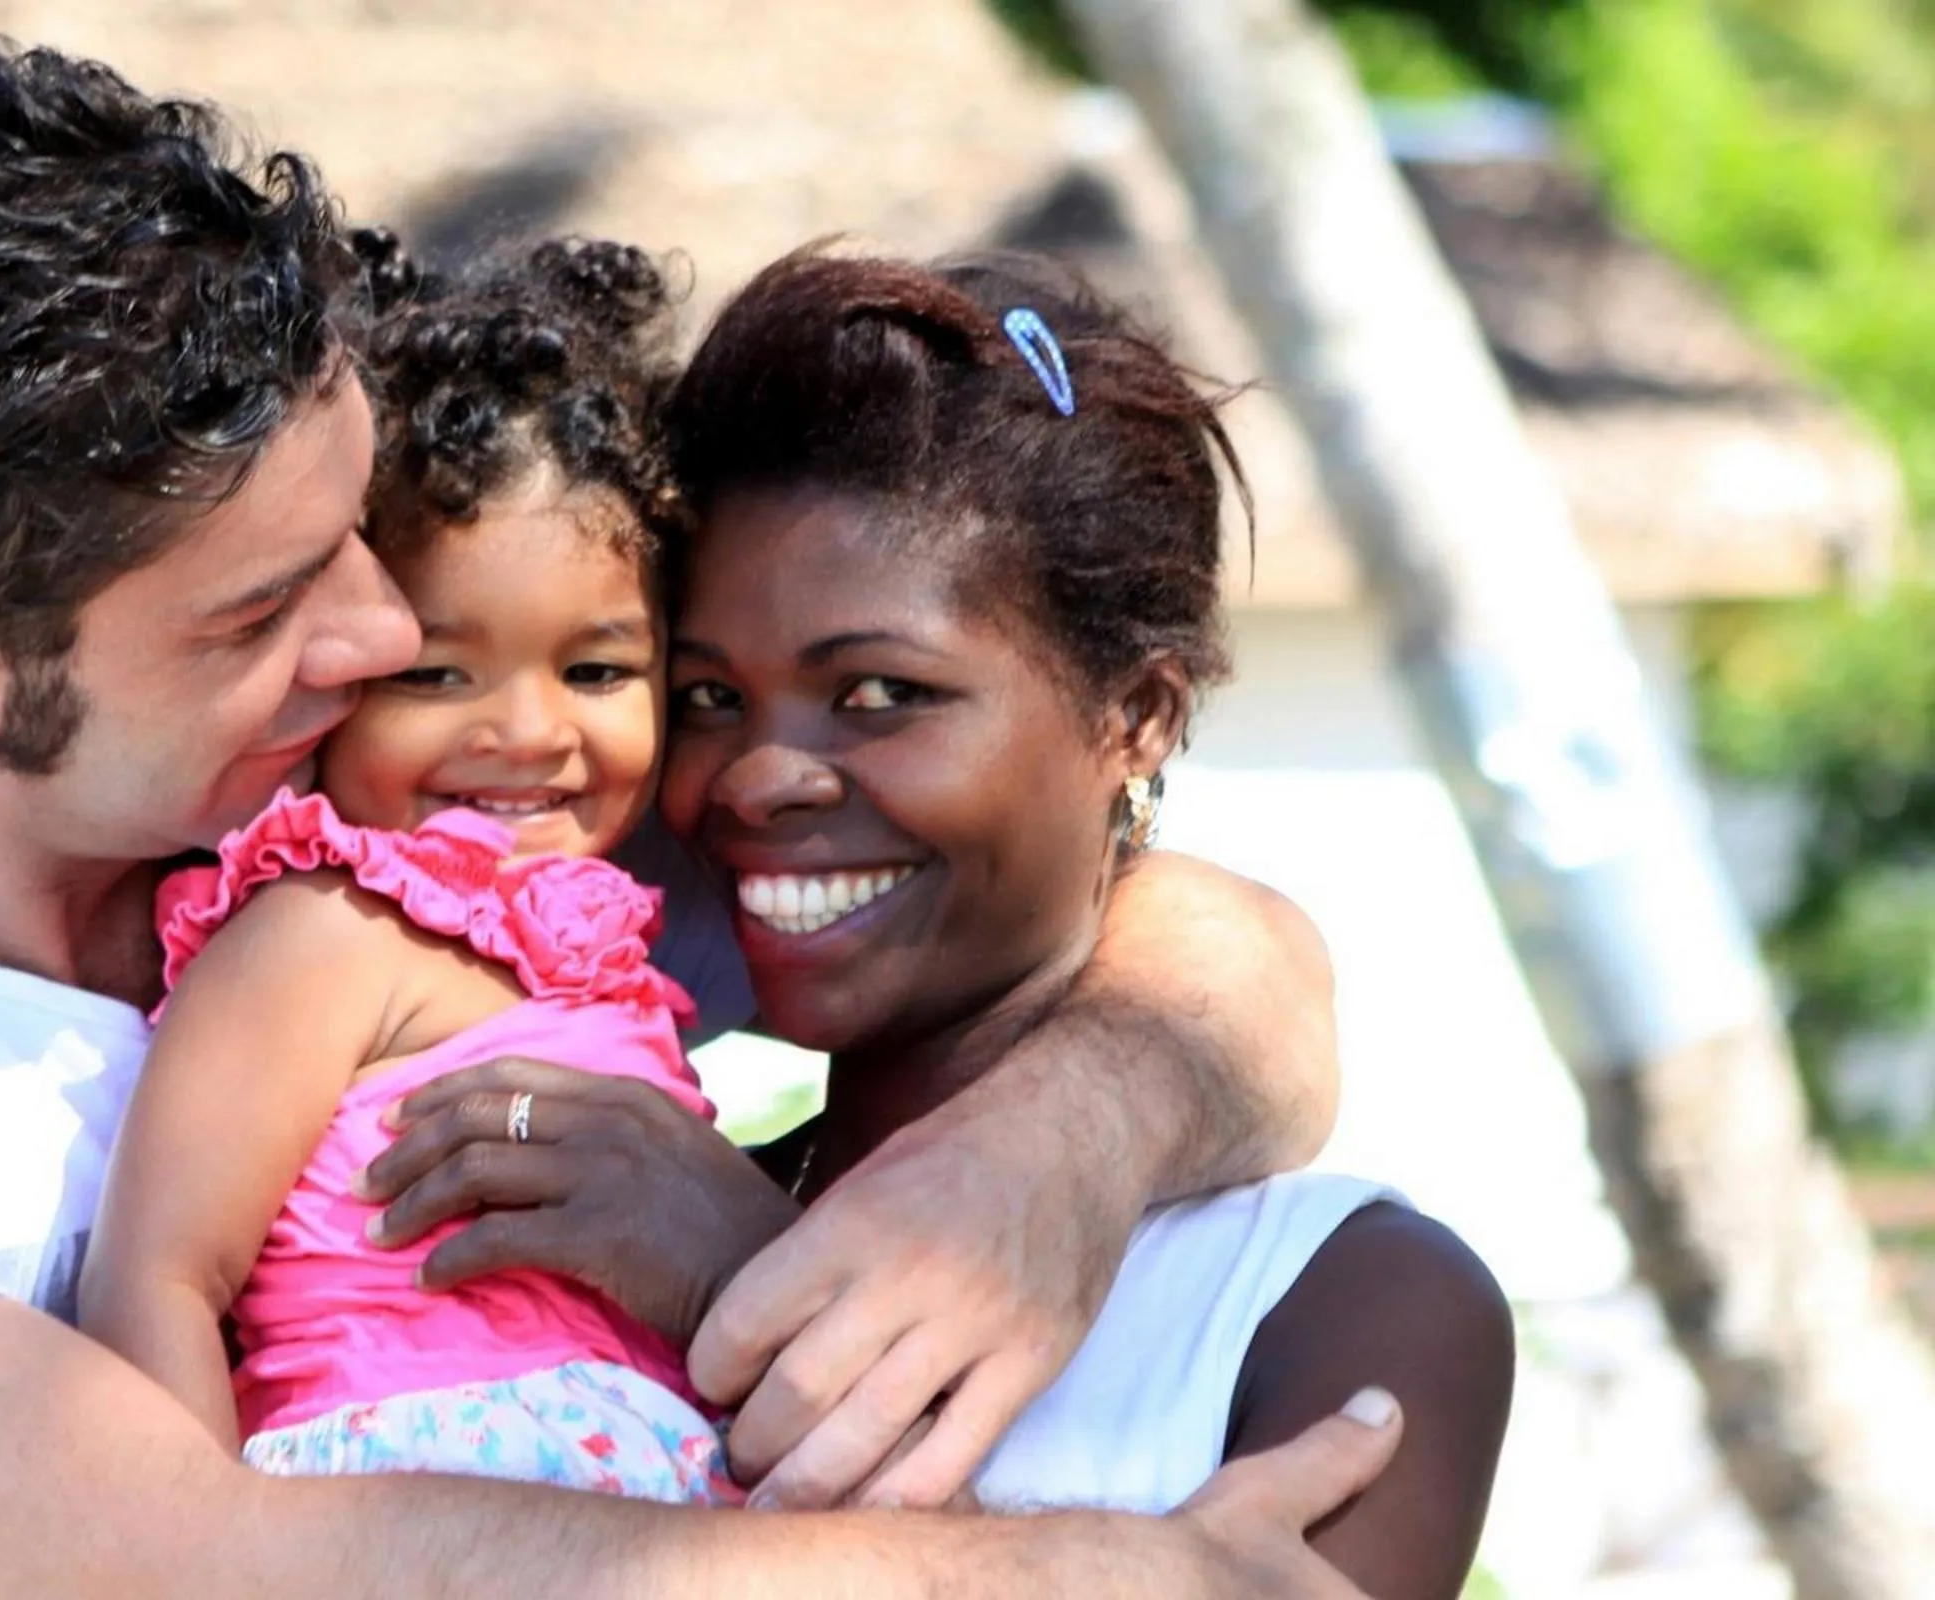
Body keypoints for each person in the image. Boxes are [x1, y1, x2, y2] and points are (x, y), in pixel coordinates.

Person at [0, 34, 1382, 1600]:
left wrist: (1047, 1158)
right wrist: (1084, 1572)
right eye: (255, 612)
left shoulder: (366, 809)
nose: (380, 631)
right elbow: (217, 1569)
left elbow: (1220, 951)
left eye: (358, 530)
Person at [358, 248, 1515, 1600]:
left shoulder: (1345, 1304)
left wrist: (751, 1285)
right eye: (713, 698)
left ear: (1135, 715)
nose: (758, 775)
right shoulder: (606, 1179)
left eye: (880, 695)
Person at [78, 238, 758, 1502]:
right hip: (384, 1518)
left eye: (597, 671)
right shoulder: (325, 929)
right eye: (436, 674)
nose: (529, 733)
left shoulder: (609, 960)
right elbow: (158, 1275)